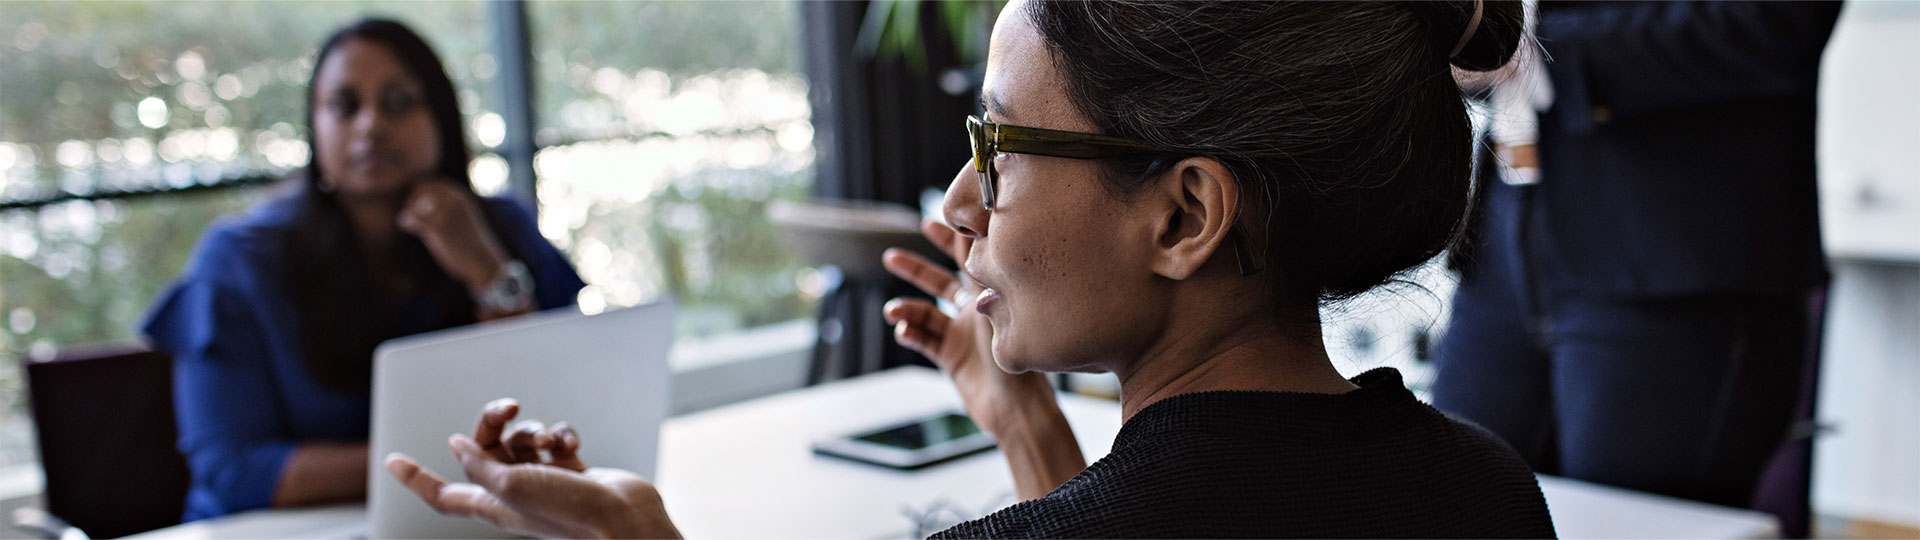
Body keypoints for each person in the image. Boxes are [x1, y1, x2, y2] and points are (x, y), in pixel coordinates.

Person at [384, 1, 1558, 537]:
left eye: (995, 144)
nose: (957, 202)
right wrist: (1025, 427)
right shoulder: (1490, 494)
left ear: (1186, 214)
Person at [141, 19, 586, 521]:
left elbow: (556, 405)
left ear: (442, 116)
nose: (371, 125)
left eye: (398, 101)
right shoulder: (241, 257)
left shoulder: (502, 226)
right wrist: (459, 464)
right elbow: (234, 470)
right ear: (315, 127)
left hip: (463, 523)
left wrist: (489, 274)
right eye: (345, 106)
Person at [1431, 0, 1842, 516]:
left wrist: (1535, 47)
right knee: (1444, 505)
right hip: (1504, 246)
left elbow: (1778, 21)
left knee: (1629, 521)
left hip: (1673, 257)